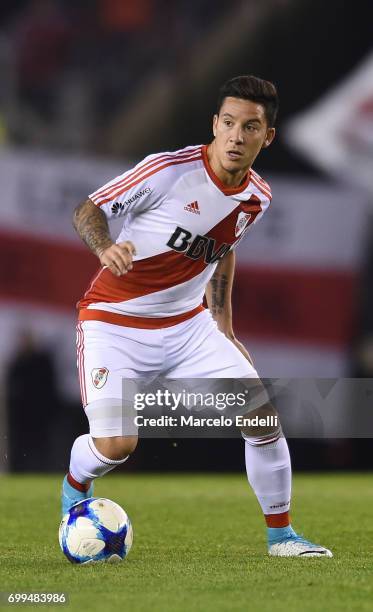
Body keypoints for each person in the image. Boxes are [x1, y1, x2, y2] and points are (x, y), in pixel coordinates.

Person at [62, 75, 332, 557]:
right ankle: (74, 486)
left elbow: (224, 247)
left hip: (189, 328)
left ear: (266, 136)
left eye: (250, 127)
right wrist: (105, 248)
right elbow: (89, 209)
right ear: (214, 124)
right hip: (114, 323)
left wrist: (223, 325)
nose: (236, 136)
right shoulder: (167, 171)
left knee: (263, 418)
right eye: (228, 123)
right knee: (117, 446)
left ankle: (282, 537)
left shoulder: (258, 197)